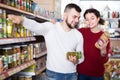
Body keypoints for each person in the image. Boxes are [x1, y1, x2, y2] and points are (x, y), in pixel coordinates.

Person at [8, 3, 84, 80]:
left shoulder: (78, 35)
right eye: (74, 17)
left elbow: (81, 56)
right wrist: (22, 20)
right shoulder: (51, 27)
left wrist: (77, 59)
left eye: (78, 17)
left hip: (72, 74)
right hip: (53, 74)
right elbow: (35, 26)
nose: (77, 20)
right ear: (65, 15)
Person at [77, 8, 110, 80]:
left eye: (92, 18)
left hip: (97, 75)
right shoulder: (82, 32)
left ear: (98, 18)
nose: (89, 22)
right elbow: (69, 30)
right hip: (82, 73)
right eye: (87, 19)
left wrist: (103, 50)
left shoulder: (104, 37)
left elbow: (104, 61)